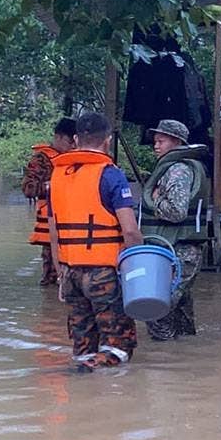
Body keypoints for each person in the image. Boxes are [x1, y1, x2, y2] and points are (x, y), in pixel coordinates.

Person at [48, 113, 144, 372]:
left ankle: (81, 389)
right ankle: (100, 382)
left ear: (76, 139)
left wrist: (60, 274)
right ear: (108, 141)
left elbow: (54, 231)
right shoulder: (111, 176)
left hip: (69, 272)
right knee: (118, 345)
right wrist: (139, 270)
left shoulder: (57, 176)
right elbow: (131, 232)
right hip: (104, 273)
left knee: (83, 342)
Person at [139, 119, 210, 341]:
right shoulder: (178, 167)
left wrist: (154, 200)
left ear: (177, 142)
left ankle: (163, 360)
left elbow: (177, 212)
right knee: (180, 312)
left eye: (161, 141)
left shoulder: (178, 170)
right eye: (155, 141)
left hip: (179, 250)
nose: (155, 146)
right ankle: (183, 362)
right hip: (177, 248)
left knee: (157, 308)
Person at [22, 118, 76, 285]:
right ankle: (49, 308)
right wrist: (51, 186)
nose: (73, 147)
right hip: (52, 226)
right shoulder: (41, 160)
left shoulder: (77, 158)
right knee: (52, 277)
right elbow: (28, 189)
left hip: (74, 228)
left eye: (76, 142)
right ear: (58, 137)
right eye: (70, 142)